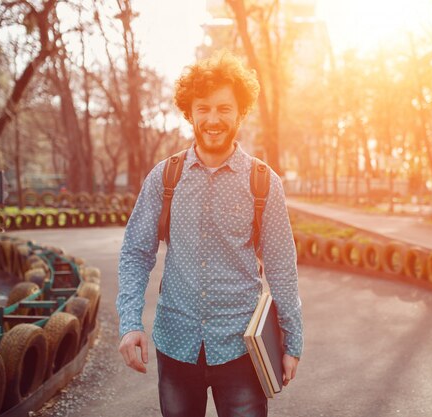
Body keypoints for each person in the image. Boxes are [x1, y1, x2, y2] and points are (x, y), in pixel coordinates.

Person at [116, 50, 303, 417]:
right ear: (189, 112)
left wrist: (291, 342)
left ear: (240, 112)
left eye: (223, 108)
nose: (213, 119)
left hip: (241, 349)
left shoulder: (263, 182)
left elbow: (282, 266)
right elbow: (136, 252)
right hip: (176, 344)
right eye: (203, 108)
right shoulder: (164, 178)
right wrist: (129, 323)